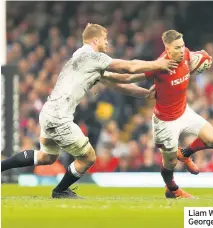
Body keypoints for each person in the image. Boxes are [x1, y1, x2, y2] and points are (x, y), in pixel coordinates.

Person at [1, 23, 178, 199]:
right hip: (59, 117)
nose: (108, 43)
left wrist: (146, 92)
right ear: (95, 40)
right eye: (105, 39)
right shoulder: (92, 57)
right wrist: (157, 64)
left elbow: (122, 79)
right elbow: (129, 67)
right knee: (88, 157)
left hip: (49, 112)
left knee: (46, 157)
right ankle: (60, 191)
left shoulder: (82, 56)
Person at [103, 30, 213, 199]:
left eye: (182, 46)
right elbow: (128, 78)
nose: (182, 50)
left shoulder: (186, 54)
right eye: (177, 48)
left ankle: (185, 153)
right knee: (170, 163)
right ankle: (172, 189)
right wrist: (104, 76)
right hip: (165, 121)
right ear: (167, 48)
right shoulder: (159, 66)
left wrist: (205, 58)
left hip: (184, 111)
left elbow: (199, 57)